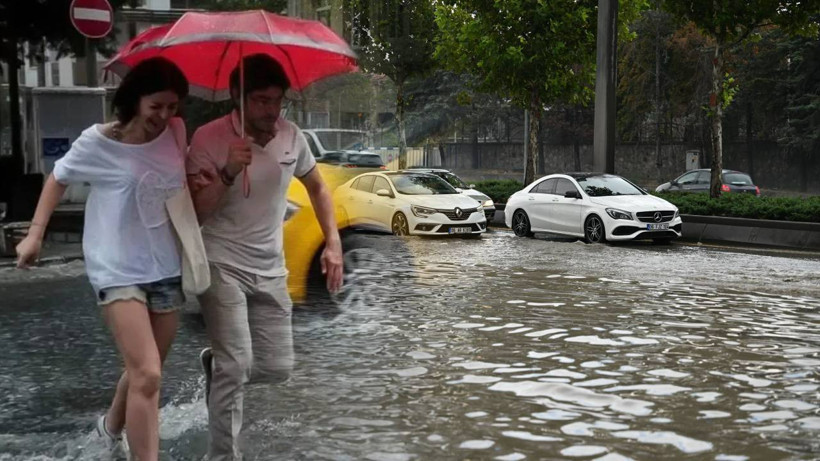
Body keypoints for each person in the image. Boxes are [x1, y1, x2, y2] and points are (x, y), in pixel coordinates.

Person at [15, 58, 190, 461]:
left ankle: (110, 426)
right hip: (116, 269)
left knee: (143, 370)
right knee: (148, 374)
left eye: (172, 107)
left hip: (165, 267)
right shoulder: (97, 142)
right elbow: (58, 177)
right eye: (156, 107)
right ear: (135, 101)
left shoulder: (176, 133)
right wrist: (35, 235)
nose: (164, 116)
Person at [186, 54, 344, 460]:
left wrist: (333, 243)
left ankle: (218, 368)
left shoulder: (293, 137)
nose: (271, 110)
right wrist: (226, 171)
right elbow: (196, 212)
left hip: (270, 268)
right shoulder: (207, 138)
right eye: (260, 100)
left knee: (277, 368)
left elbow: (318, 188)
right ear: (236, 98)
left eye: (277, 100)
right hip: (219, 261)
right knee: (237, 365)